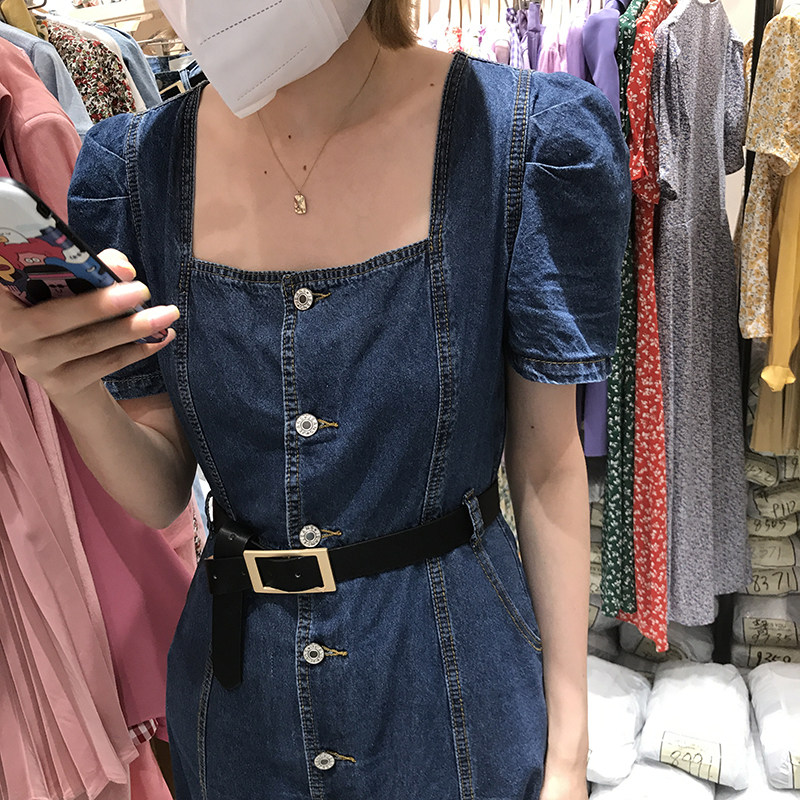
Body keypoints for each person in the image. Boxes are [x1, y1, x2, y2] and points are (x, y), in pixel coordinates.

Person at [0, 1, 630, 797]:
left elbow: (546, 464)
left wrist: (569, 753)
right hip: (239, 712)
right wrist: (69, 382)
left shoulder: (520, 139)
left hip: (455, 701)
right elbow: (161, 491)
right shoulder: (136, 170)